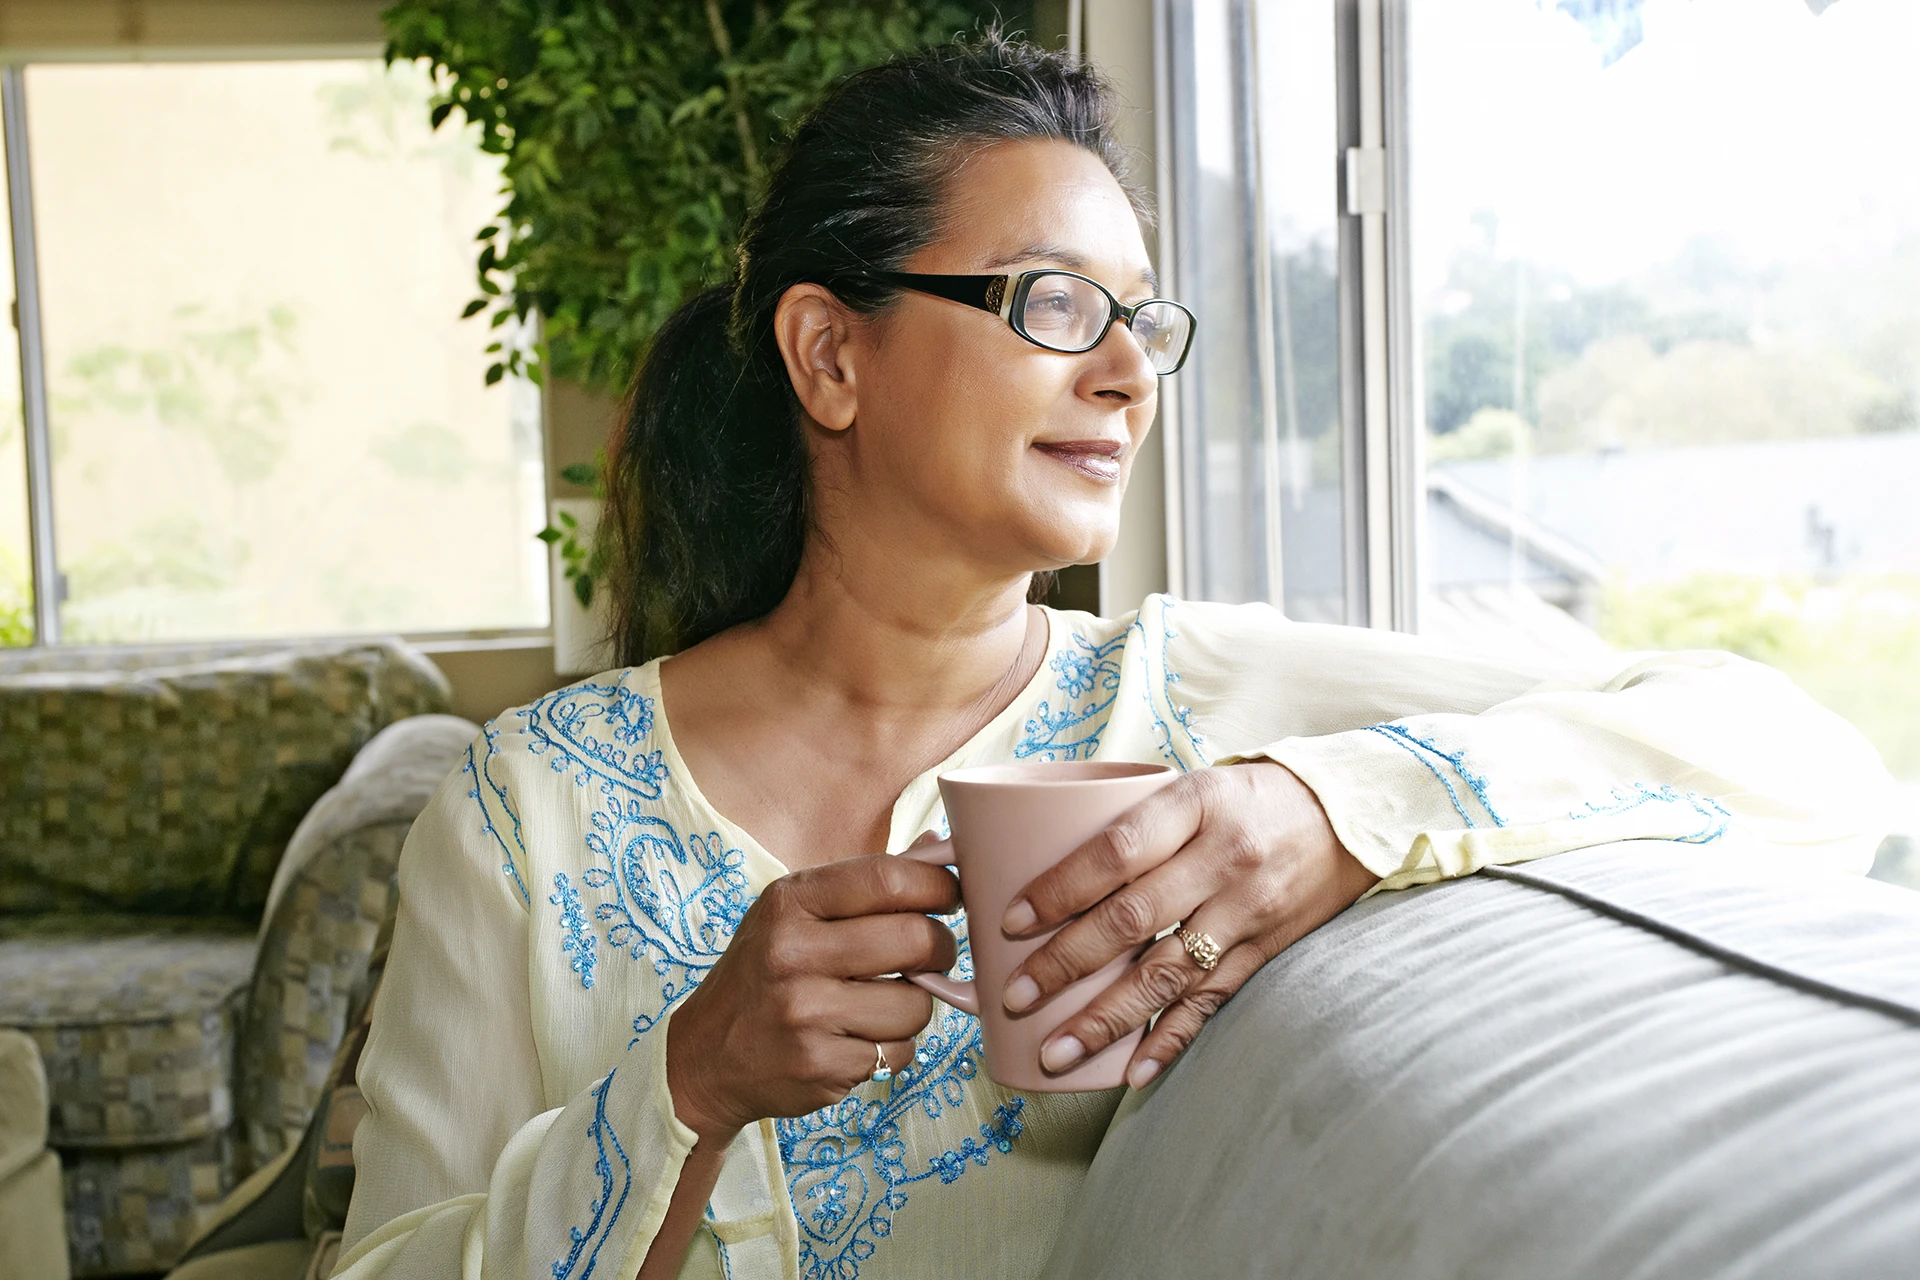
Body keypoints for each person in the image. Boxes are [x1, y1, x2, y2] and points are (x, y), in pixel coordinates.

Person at [333, 31, 1892, 1280]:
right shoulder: (522, 806)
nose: (1129, 375)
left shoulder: (1202, 694)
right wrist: (688, 1082)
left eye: (1145, 323)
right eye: (1055, 303)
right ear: (832, 354)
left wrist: (1320, 815)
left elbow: (1798, 755)